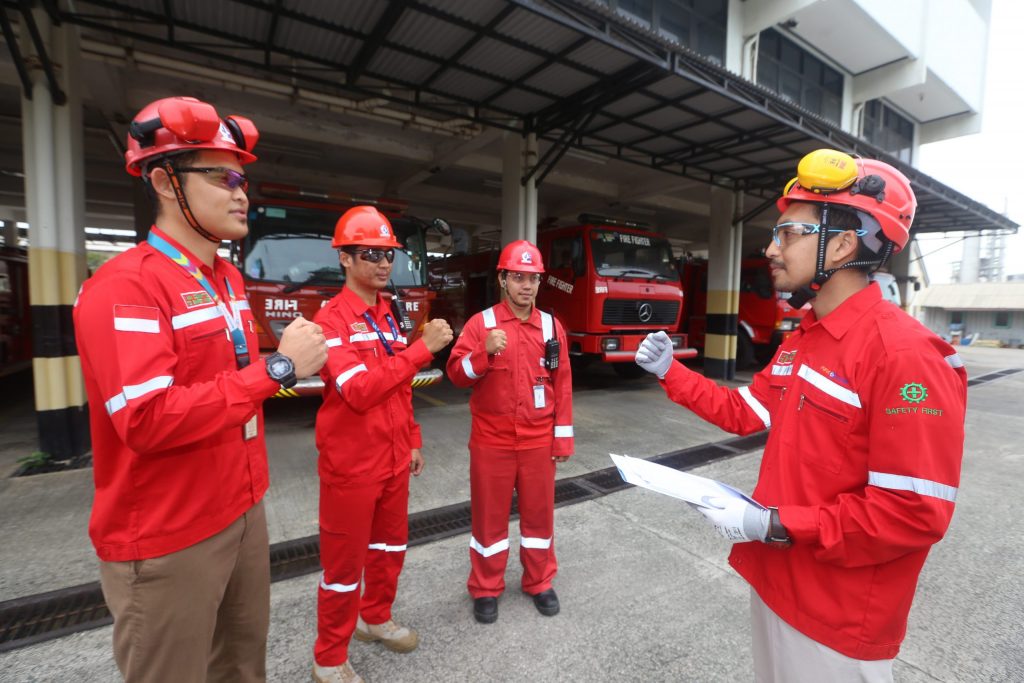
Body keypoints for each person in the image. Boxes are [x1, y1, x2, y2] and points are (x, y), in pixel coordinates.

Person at [635, 149, 967, 682]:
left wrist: (773, 523)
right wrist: (671, 371)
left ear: (842, 243)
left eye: (788, 233)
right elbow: (744, 411)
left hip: (836, 616)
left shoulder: (905, 355)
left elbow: (912, 511)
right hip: (779, 583)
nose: (770, 248)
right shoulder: (804, 340)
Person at [73, 96, 327, 682]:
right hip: (167, 535)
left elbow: (225, 371)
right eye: (222, 176)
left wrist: (280, 359)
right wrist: (279, 369)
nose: (242, 192)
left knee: (242, 665)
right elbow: (147, 418)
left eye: (243, 177)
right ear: (165, 181)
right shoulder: (126, 287)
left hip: (242, 508)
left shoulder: (228, 278)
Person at [311, 206, 453, 683]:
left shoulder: (386, 313)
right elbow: (359, 391)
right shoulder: (329, 322)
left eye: (388, 254)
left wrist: (412, 438)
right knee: (343, 566)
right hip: (351, 466)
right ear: (345, 259)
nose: (382, 263)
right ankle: (329, 657)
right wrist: (422, 349)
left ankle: (375, 618)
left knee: (390, 548)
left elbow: (397, 386)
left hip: (393, 458)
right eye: (370, 254)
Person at [446, 240, 574, 625]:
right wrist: (482, 353)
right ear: (502, 279)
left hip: (537, 442)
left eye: (532, 278)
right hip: (492, 442)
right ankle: (486, 587)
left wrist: (562, 437)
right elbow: (456, 376)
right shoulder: (481, 325)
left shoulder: (552, 326)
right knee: (489, 520)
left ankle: (539, 580)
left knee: (540, 518)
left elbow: (562, 383)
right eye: (517, 277)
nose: (526, 286)